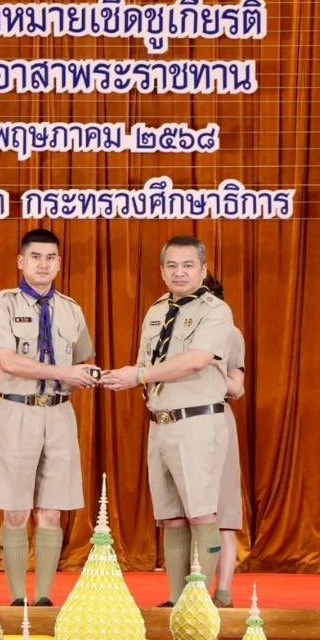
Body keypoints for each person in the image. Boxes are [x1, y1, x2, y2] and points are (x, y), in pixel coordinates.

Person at [101, 235, 236, 606]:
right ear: (162, 271)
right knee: (171, 517)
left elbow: (196, 360)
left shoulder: (216, 311)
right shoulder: (156, 311)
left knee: (201, 513)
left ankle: (198, 602)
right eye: (172, 266)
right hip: (160, 423)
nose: (179, 272)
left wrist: (138, 376)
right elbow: (146, 363)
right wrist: (122, 376)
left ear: (203, 270)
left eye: (188, 265)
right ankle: (176, 601)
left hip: (198, 422)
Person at [0, 228, 99, 607]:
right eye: (35, 257)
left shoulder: (71, 309)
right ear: (21, 261)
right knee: (16, 509)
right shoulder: (2, 305)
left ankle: (44, 598)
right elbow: (9, 361)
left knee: (52, 510)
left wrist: (90, 375)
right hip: (18, 410)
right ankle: (18, 598)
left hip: (60, 413)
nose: (43, 265)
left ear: (59, 263)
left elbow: (81, 360)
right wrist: (65, 372)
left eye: (50, 258)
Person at [202, 274, 246, 608]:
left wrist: (207, 366)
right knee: (193, 514)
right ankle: (193, 591)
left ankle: (224, 592)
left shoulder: (231, 334)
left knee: (224, 513)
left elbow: (237, 388)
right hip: (182, 420)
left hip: (217, 416)